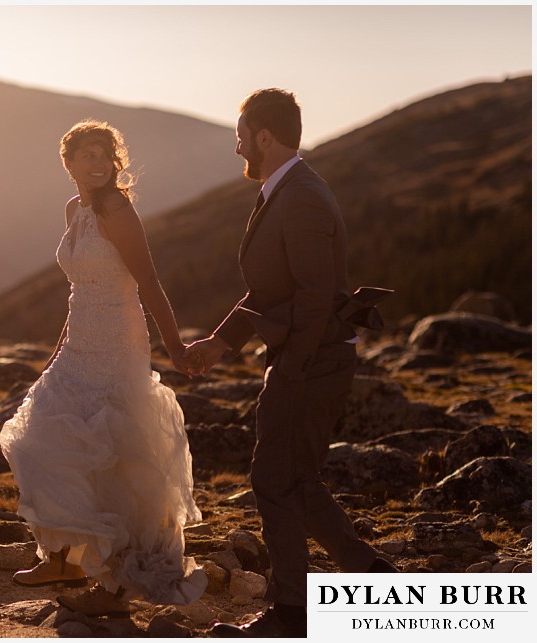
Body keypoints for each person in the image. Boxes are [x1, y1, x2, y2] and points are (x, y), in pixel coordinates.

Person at [185, 89, 397, 638]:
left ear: (263, 136)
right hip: (310, 358)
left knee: (272, 478)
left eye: (240, 136)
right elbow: (269, 288)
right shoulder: (285, 190)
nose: (237, 149)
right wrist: (220, 342)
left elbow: (311, 295)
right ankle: (372, 575)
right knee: (296, 479)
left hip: (312, 362)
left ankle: (291, 612)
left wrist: (290, 372)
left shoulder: (301, 195)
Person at [0, 119, 207, 618]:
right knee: (43, 438)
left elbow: (150, 282)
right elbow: (78, 292)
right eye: (86, 155)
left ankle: (116, 578)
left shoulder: (117, 209)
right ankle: (64, 559)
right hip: (80, 340)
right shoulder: (75, 209)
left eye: (104, 154)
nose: (97, 163)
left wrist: (175, 347)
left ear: (116, 162)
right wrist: (59, 350)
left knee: (115, 452)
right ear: (67, 163)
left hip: (118, 341)